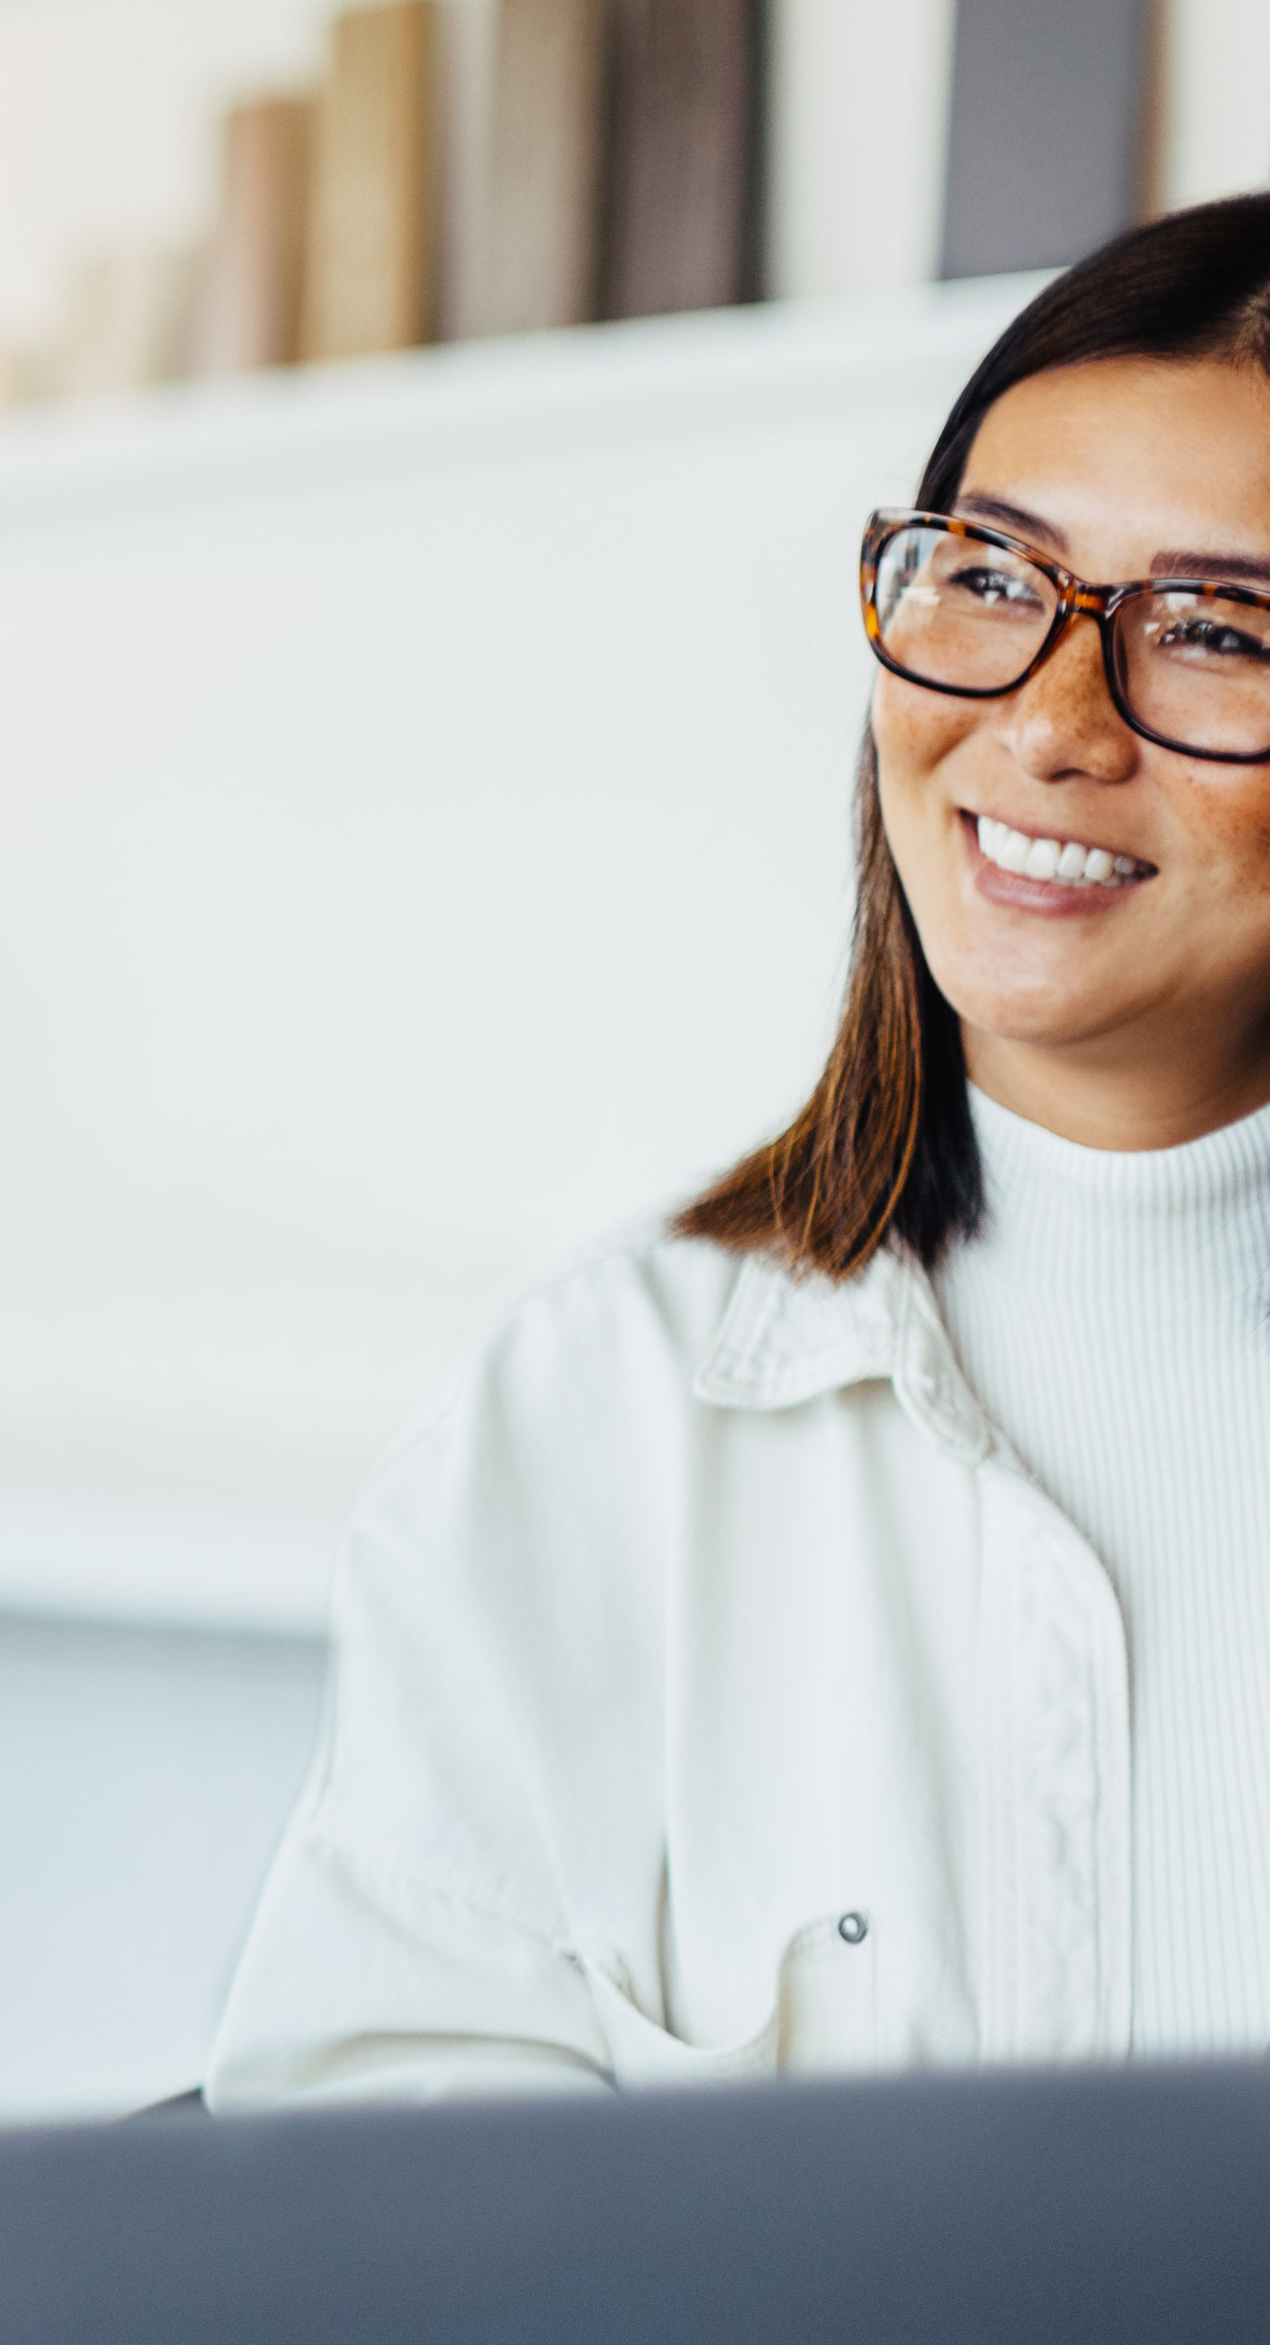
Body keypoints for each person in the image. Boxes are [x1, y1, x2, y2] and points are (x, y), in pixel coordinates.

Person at [210, 196, 1270, 2103]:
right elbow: (381, 2226)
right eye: (989, 580)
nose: (1042, 723)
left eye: (1211, 629)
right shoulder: (588, 1416)